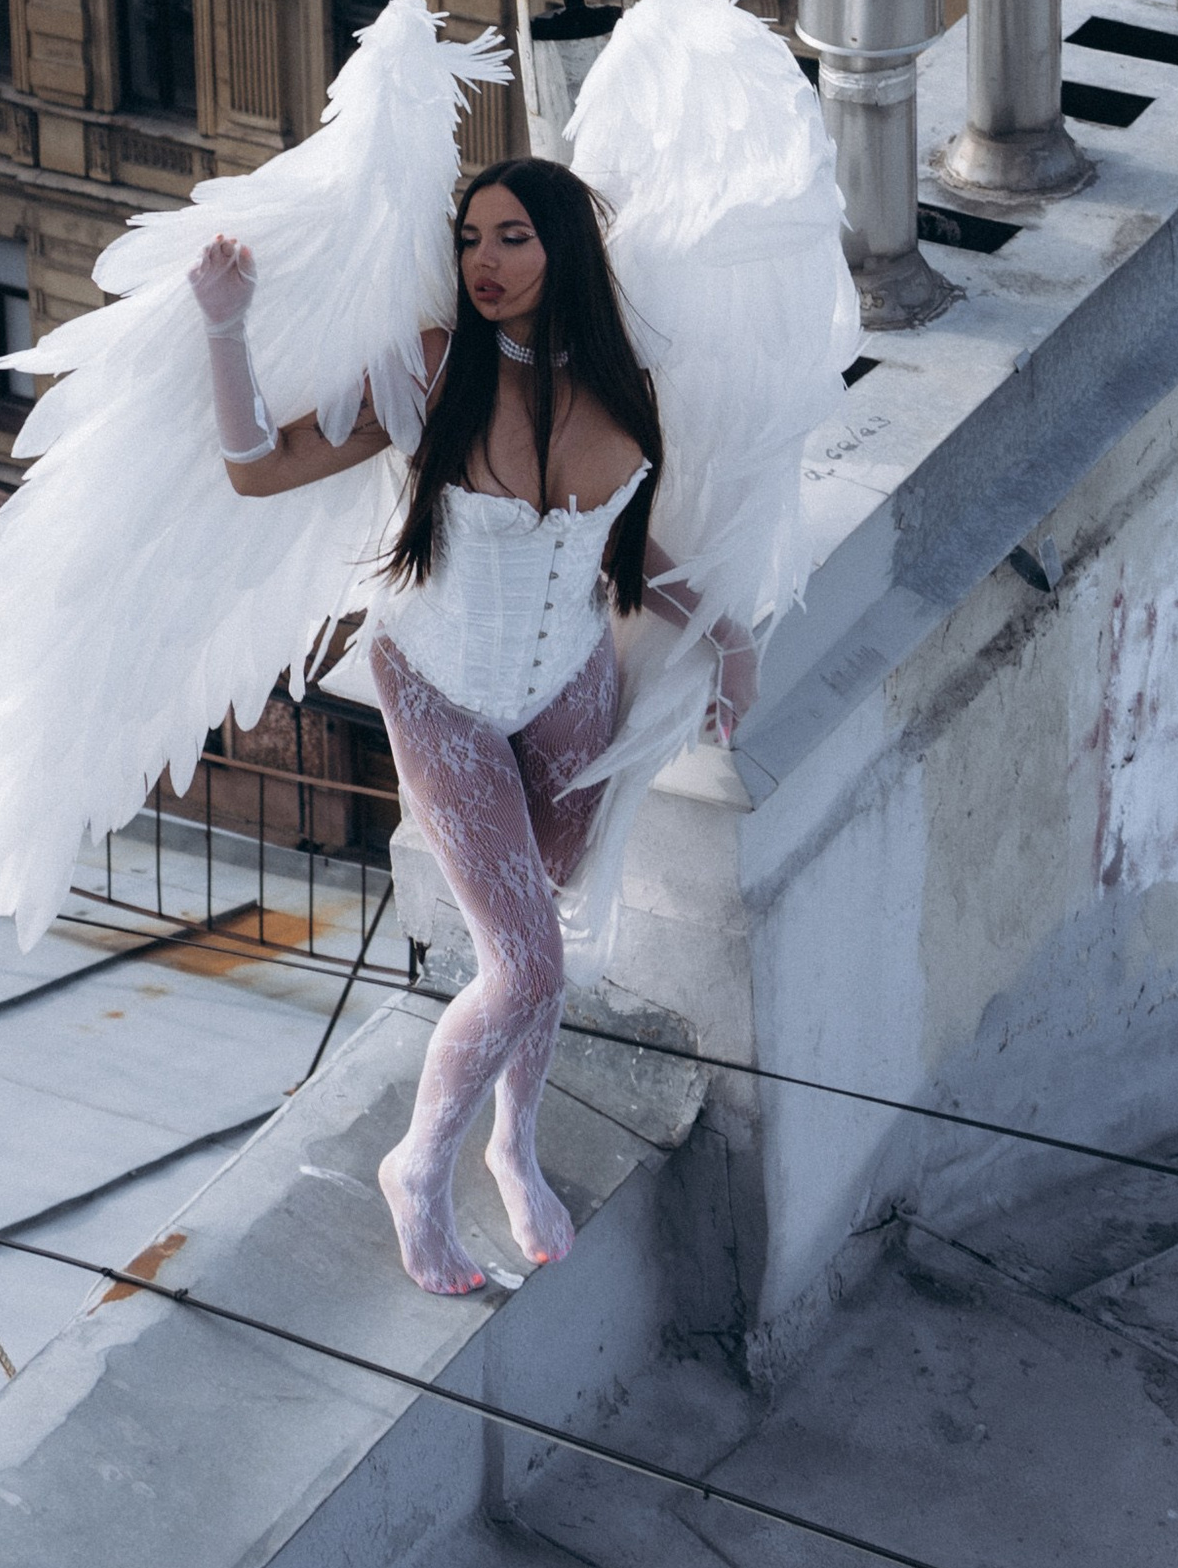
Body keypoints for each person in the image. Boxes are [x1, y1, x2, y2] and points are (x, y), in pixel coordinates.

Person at [188, 155, 754, 1299]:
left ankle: (515, 1141)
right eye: (469, 239)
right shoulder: (434, 368)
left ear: (563, 252)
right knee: (526, 964)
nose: (482, 264)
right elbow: (256, 470)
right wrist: (225, 326)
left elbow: (616, 547)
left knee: (538, 936)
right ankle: (422, 1169)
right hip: (437, 678)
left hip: (569, 681)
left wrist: (727, 635)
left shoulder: (622, 386)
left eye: (511, 238)